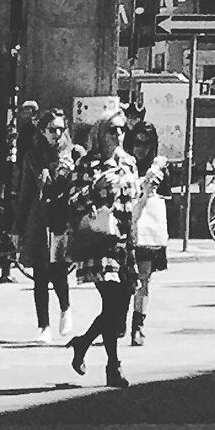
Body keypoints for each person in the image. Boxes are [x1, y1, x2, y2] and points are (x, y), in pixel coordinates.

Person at [66, 116, 141, 388]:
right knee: (111, 303)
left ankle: (82, 343)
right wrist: (94, 189)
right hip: (100, 241)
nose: (119, 134)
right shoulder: (87, 164)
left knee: (120, 309)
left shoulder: (128, 163)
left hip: (125, 241)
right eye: (112, 130)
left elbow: (135, 200)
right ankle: (113, 367)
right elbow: (72, 201)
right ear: (100, 134)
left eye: (122, 129)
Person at [18, 109, 79, 341]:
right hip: (39, 217)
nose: (57, 134)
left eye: (60, 129)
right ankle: (43, 325)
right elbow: (25, 192)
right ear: (42, 131)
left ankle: (65, 308)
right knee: (40, 273)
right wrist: (17, 227)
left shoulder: (72, 153)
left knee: (59, 270)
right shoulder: (33, 157)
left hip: (62, 218)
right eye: (52, 129)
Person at [128, 147, 168, 345]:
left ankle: (138, 325)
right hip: (126, 231)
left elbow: (168, 194)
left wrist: (155, 180)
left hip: (148, 235)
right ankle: (118, 323)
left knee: (143, 280)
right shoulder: (124, 163)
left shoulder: (160, 166)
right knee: (124, 284)